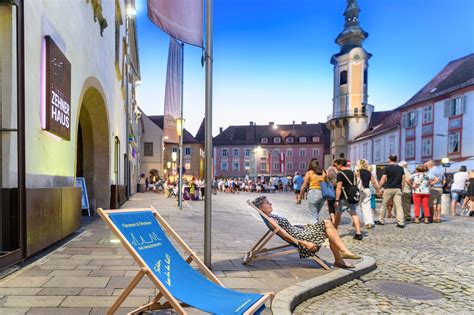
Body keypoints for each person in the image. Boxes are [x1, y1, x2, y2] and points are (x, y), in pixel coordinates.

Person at [252, 196, 361, 268]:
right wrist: (305, 243)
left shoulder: (270, 217)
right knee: (328, 224)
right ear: (261, 208)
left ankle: (340, 258)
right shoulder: (271, 220)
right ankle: (341, 255)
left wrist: (303, 226)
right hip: (302, 237)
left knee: (329, 228)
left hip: (301, 231)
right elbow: (286, 236)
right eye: (267, 203)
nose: (270, 203)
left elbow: (288, 227)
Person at [334, 159, 363, 240]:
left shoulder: (340, 174)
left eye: (336, 165)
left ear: (340, 164)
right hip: (352, 196)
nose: (335, 167)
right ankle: (358, 232)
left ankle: (334, 231)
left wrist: (336, 200)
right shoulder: (352, 172)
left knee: (338, 214)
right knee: (353, 213)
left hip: (344, 196)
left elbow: (339, 187)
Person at [375, 155, 406, 228]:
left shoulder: (387, 168)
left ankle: (381, 220)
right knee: (399, 206)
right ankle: (401, 222)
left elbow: (383, 178)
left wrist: (379, 187)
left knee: (384, 205)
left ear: (389, 159)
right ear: (396, 159)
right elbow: (403, 179)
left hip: (388, 188)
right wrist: (402, 189)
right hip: (398, 189)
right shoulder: (401, 168)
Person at [356, 159, 381, 229]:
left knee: (357, 206)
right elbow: (373, 182)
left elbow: (356, 181)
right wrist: (378, 190)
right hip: (367, 190)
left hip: (360, 190)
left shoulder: (358, 172)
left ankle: (358, 221)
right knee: (367, 206)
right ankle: (369, 222)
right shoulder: (369, 172)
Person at [326, 160, 340, 224]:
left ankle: (333, 219)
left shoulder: (329, 169)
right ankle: (336, 218)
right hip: (337, 188)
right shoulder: (338, 170)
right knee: (336, 204)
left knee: (330, 204)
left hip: (329, 188)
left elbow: (326, 177)